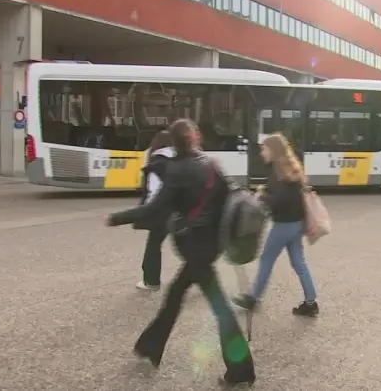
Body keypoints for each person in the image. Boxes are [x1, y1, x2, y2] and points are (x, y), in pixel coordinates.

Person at [105, 119, 255, 387]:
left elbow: (153, 210)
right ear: (195, 137)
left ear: (174, 143)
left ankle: (241, 370)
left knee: (217, 309)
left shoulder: (177, 171)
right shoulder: (211, 165)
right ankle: (150, 346)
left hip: (195, 248)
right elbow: (232, 197)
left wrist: (117, 217)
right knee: (175, 296)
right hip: (209, 245)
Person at [233, 133, 319, 317]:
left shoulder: (278, 170)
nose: (262, 152)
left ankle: (253, 299)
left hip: (284, 225)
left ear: (273, 150)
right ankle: (311, 302)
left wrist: (262, 198)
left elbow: (279, 199)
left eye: (264, 148)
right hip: (296, 223)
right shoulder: (290, 166)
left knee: (266, 260)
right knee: (299, 263)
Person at [135, 130, 175, 291]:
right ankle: (203, 277)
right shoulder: (177, 158)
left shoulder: (157, 161)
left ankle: (151, 281)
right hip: (179, 208)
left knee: (153, 245)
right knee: (189, 243)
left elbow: (154, 188)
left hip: (161, 210)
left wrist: (147, 208)